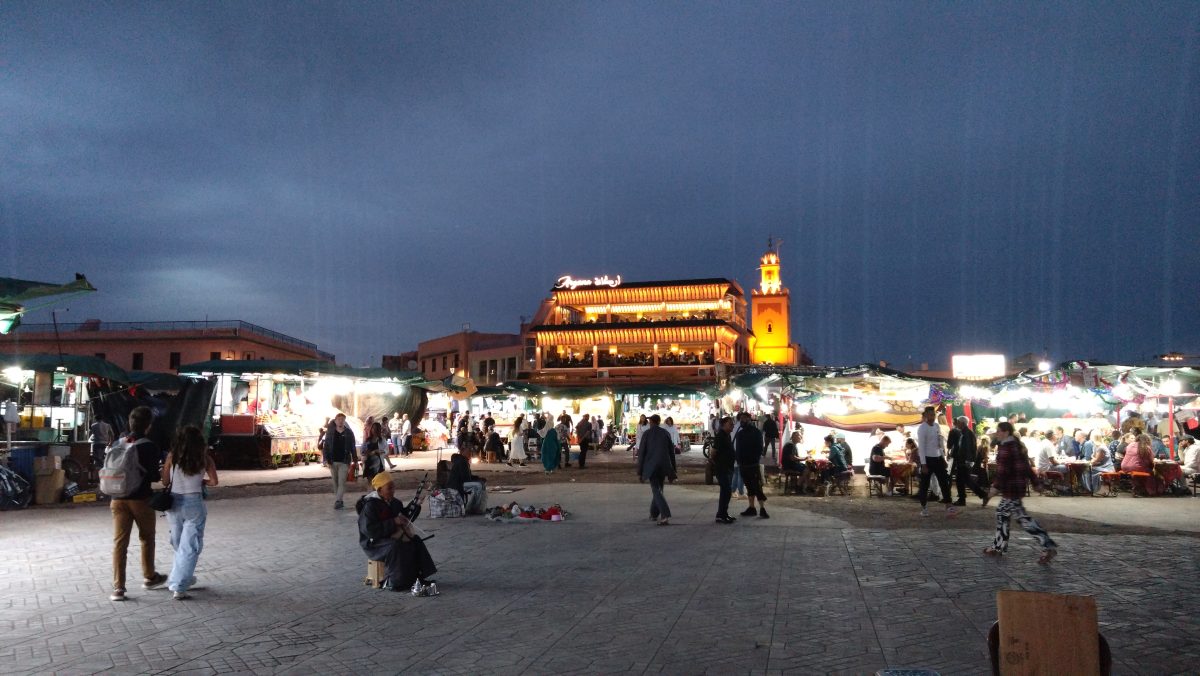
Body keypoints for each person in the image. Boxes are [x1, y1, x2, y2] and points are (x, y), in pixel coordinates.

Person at [108, 406, 167, 602]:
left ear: (130, 422)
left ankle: (118, 588)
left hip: (117, 499)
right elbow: (153, 475)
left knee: (119, 543)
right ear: (148, 426)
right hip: (141, 499)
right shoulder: (149, 446)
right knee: (147, 539)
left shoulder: (119, 442)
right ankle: (149, 576)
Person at [985, 422, 1057, 564]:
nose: (997, 434)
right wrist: (1035, 482)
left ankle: (1048, 546)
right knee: (1002, 513)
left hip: (1010, 488)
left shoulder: (1006, 448)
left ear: (1005, 432)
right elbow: (1027, 467)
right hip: (1016, 487)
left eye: (998, 431)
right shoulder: (1017, 446)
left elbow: (1003, 471)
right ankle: (998, 546)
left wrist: (994, 488)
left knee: (1023, 519)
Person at [160, 425, 218, 600]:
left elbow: (164, 482)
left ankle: (182, 579)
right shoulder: (205, 458)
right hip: (194, 503)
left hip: (174, 503)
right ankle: (180, 584)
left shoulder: (172, 457)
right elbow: (214, 482)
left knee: (178, 543)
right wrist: (202, 482)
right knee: (189, 546)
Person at [358, 473, 438, 595]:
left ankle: (418, 577)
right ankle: (396, 582)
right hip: (374, 542)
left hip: (390, 535)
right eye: (389, 488)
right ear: (379, 490)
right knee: (395, 546)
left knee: (415, 540)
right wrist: (393, 522)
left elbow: (406, 517)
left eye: (393, 487)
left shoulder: (394, 502)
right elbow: (369, 530)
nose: (393, 491)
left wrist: (416, 504)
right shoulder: (370, 505)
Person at [637, 414, 677, 525]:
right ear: (659, 422)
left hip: (651, 467)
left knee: (656, 490)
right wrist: (672, 471)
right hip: (664, 466)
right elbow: (671, 453)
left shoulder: (647, 434)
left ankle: (664, 515)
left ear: (651, 422)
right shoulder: (666, 433)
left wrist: (640, 472)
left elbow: (641, 454)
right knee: (659, 489)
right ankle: (654, 513)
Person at [916, 406, 956, 517]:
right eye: (929, 415)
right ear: (925, 416)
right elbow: (922, 448)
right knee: (924, 484)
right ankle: (924, 507)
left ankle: (948, 505)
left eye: (933, 415)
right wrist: (923, 464)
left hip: (938, 458)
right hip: (927, 459)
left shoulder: (937, 426)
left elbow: (939, 444)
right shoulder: (922, 428)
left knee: (944, 482)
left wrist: (943, 457)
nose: (932, 417)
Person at [734, 412, 768, 518]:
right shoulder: (740, 433)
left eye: (745, 418)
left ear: (749, 419)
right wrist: (738, 460)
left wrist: (754, 459)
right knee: (749, 487)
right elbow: (738, 448)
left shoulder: (756, 432)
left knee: (757, 487)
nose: (742, 421)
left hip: (753, 464)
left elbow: (759, 448)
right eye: (741, 419)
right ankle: (751, 507)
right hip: (743, 465)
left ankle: (762, 508)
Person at [947, 416, 987, 506]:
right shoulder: (963, 433)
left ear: (963, 423)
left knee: (965, 480)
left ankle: (982, 495)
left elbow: (970, 448)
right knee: (962, 480)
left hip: (965, 461)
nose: (957, 424)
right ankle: (963, 499)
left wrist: (969, 461)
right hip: (962, 460)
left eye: (958, 422)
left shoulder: (968, 434)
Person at [322, 414, 358, 510]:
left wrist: (355, 461)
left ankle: (337, 500)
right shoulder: (330, 432)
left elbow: (353, 448)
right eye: (339, 419)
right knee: (335, 482)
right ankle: (340, 500)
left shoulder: (349, 433)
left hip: (344, 461)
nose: (340, 421)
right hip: (332, 461)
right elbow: (326, 447)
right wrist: (325, 459)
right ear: (335, 421)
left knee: (342, 481)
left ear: (345, 421)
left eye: (342, 419)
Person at [712, 416, 737, 523]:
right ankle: (721, 515)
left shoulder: (727, 436)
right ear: (723, 425)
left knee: (726, 492)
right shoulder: (720, 436)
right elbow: (713, 452)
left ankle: (723, 514)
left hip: (728, 467)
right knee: (726, 491)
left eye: (732, 423)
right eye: (730, 423)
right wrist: (716, 463)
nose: (732, 425)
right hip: (722, 468)